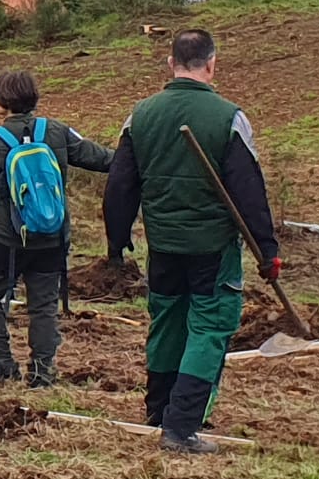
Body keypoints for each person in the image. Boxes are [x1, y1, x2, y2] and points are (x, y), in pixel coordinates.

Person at [102, 29, 278, 455]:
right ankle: (180, 427)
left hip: (161, 246)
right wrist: (267, 250)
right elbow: (249, 191)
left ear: (171, 64)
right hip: (212, 250)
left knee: (167, 321)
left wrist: (117, 238)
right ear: (212, 64)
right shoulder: (229, 117)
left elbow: (120, 184)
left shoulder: (140, 115)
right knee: (209, 328)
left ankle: (158, 409)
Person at [0, 69, 113, 387]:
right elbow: (102, 159)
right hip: (52, 236)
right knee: (43, 305)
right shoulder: (57, 131)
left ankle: (2, 367)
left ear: (2, 101)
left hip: (5, 238)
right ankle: (42, 373)